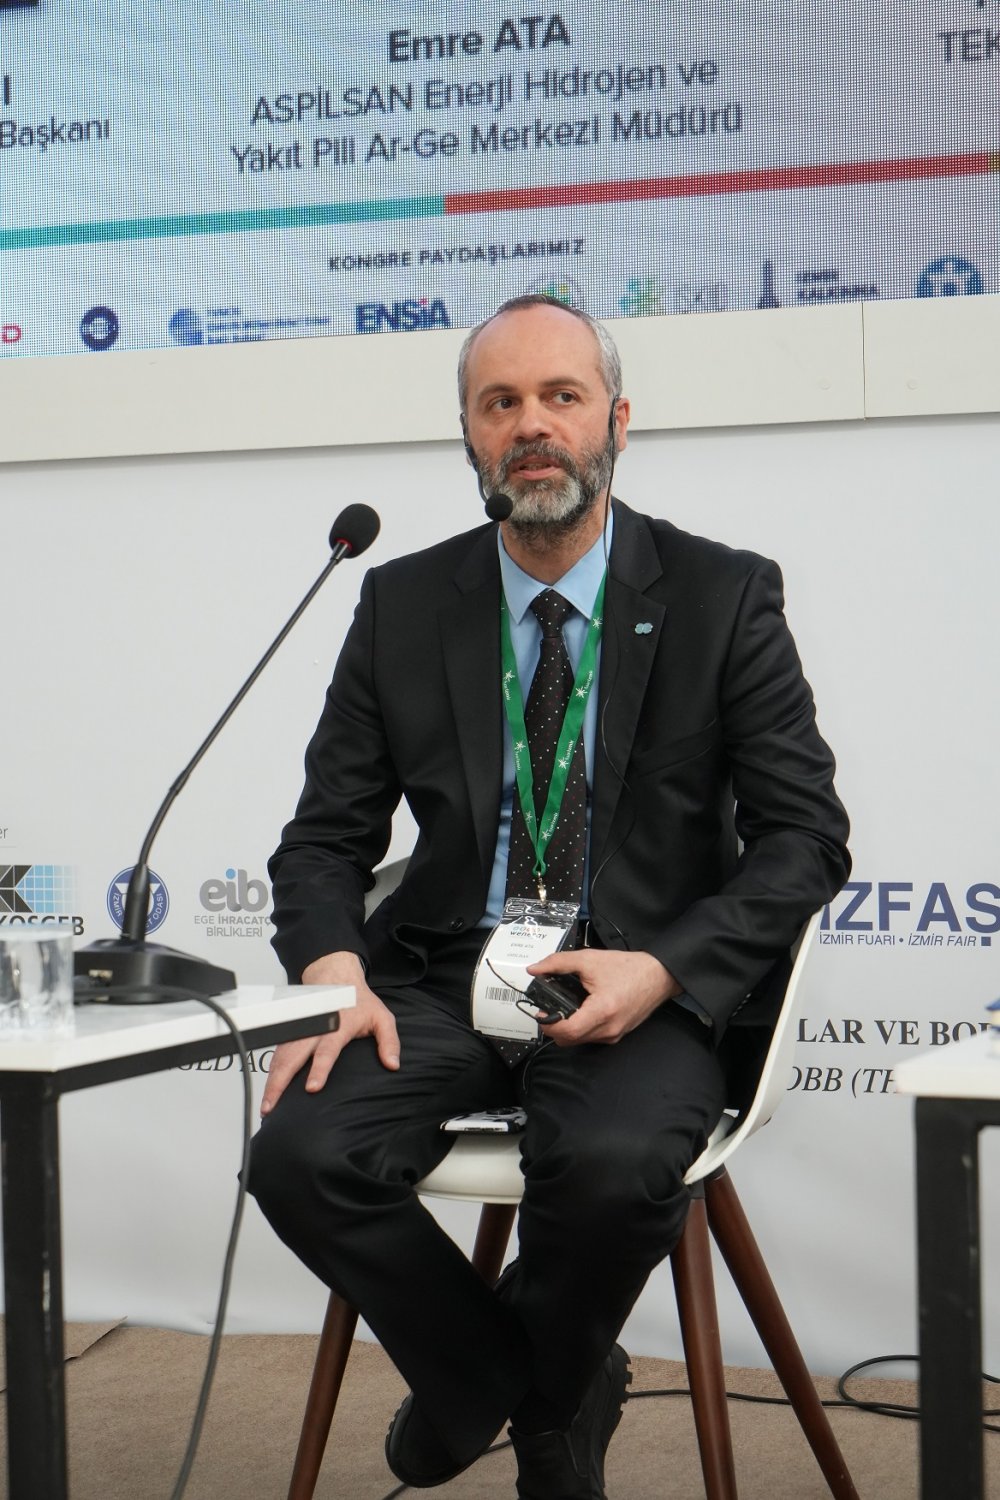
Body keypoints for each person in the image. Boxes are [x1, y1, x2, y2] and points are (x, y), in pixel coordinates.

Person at [247, 295, 851, 1500]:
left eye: (560, 396)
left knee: (616, 1161)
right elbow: (324, 837)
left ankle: (519, 1401)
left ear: (615, 422)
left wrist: (665, 968)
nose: (532, 425)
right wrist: (332, 972)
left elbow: (804, 838)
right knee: (301, 1154)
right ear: (469, 436)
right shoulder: (402, 603)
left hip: (637, 977)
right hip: (441, 973)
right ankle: (515, 1387)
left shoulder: (722, 593)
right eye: (500, 402)